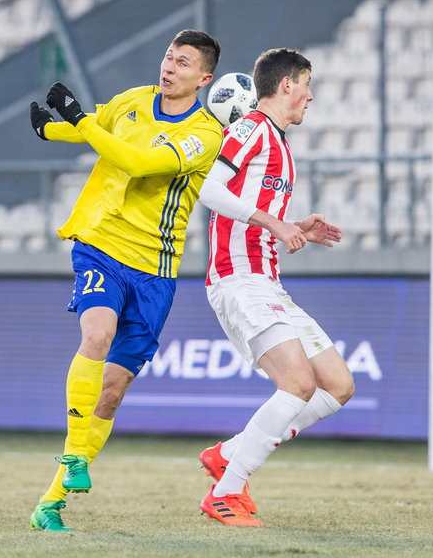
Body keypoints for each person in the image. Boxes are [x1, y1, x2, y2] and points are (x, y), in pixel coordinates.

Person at [26, 30, 314, 532]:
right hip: (101, 246)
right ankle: (73, 458)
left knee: (112, 392)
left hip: (156, 270)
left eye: (182, 63)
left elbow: (137, 161)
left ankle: (50, 503)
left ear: (205, 78)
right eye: (167, 57)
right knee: (96, 335)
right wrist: (52, 131)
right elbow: (97, 126)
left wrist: (73, 121)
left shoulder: (206, 135)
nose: (169, 67)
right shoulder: (132, 102)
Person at [197, 48, 355, 527]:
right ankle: (225, 493)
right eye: (306, 83)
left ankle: (230, 453)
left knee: (339, 385)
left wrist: (296, 228)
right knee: (299, 384)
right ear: (286, 84)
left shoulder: (280, 143)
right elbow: (209, 189)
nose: (310, 95)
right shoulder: (250, 128)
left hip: (266, 280)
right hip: (238, 279)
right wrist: (273, 222)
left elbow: (250, 211)